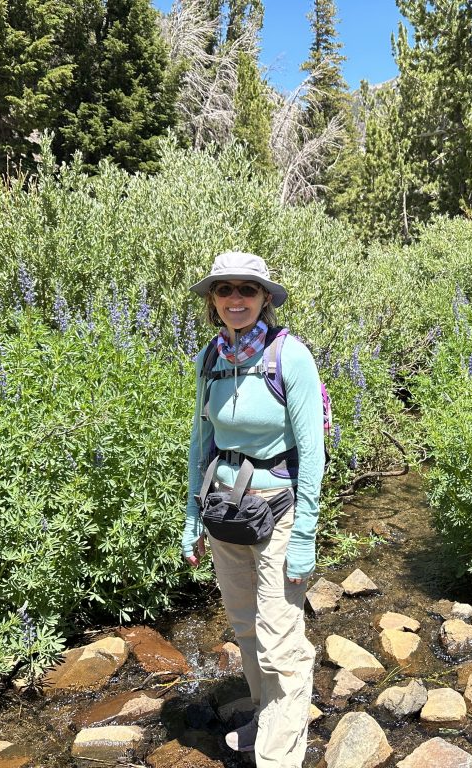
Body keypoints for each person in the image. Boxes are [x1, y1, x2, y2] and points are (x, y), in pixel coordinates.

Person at [182, 250, 324, 767]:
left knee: (280, 638)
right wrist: (192, 518)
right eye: (225, 289)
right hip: (224, 512)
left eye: (247, 289)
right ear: (213, 300)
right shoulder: (210, 358)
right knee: (245, 626)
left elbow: (312, 453)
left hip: (279, 511)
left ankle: (277, 757)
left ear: (265, 298)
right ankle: (268, 716)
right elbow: (200, 443)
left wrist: (305, 534)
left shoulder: (291, 357)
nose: (235, 299)